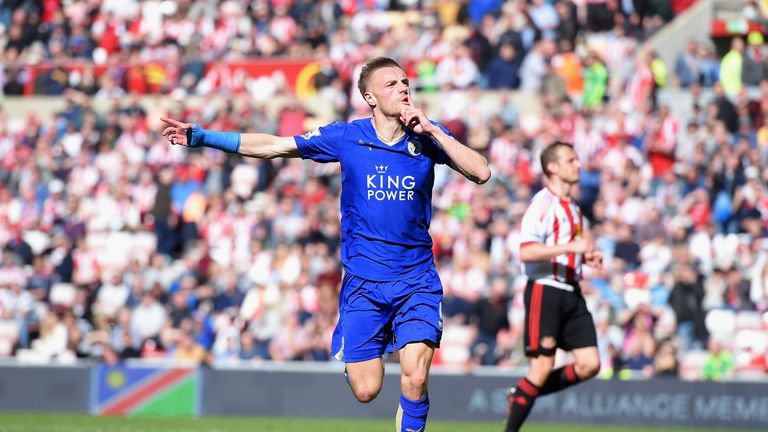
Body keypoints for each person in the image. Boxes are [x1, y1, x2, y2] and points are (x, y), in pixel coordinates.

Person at [160, 56, 490, 432]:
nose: (402, 88)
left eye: (405, 83)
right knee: (367, 390)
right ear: (370, 97)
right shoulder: (347, 137)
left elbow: (481, 172)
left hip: (416, 280)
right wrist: (202, 136)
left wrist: (432, 130)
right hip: (364, 284)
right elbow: (273, 146)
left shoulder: (427, 139)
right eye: (391, 84)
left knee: (415, 377)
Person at [504, 142, 602, 432]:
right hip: (546, 290)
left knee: (590, 363)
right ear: (553, 168)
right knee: (542, 366)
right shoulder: (542, 204)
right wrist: (572, 246)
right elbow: (527, 251)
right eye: (570, 160)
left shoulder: (574, 208)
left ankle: (522, 393)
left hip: (572, 290)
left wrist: (586, 255)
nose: (578, 165)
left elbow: (568, 247)